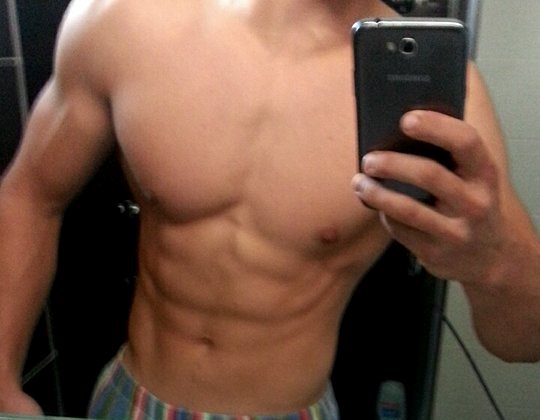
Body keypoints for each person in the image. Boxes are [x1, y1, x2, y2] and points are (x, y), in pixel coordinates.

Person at [0, 0, 539, 418]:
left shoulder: (452, 98)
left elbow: (523, 342)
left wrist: (496, 261)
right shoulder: (126, 18)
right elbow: (30, 195)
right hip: (132, 398)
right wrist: (2, 376)